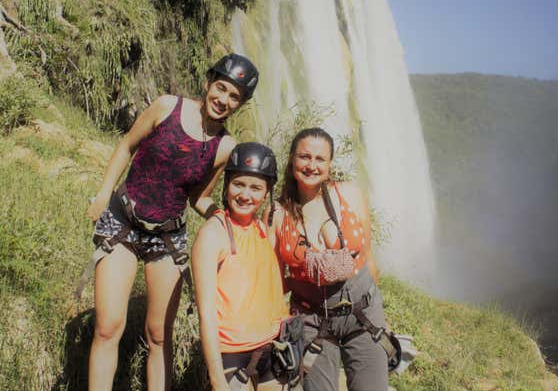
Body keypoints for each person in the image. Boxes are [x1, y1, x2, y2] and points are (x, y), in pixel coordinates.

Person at [83, 54, 258, 391]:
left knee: (159, 336)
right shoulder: (166, 107)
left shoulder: (225, 147)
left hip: (166, 237)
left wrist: (220, 215)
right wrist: (104, 193)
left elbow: (199, 197)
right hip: (122, 222)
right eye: (221, 88)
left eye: (234, 96)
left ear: (241, 104)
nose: (223, 100)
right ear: (208, 83)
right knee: (108, 327)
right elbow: (126, 146)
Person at [270, 127, 393, 391]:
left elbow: (368, 256)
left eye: (320, 159)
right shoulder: (278, 214)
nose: (311, 165)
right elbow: (275, 279)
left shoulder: (349, 194)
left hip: (364, 315)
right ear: (292, 159)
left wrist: (380, 313)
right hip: (312, 321)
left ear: (330, 164)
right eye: (304, 156)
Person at [192, 142, 289, 391]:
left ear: (267, 194)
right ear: (226, 185)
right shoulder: (213, 233)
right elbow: (206, 312)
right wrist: (217, 379)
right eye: (238, 184)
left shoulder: (264, 225)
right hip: (232, 353)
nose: (245, 195)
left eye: (256, 188)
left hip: (272, 346)